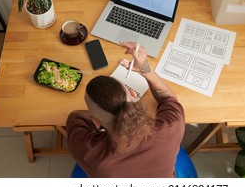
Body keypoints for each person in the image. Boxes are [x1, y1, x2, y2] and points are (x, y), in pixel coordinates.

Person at [66, 41, 185, 178]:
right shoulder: (171, 127)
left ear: (95, 122)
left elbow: (75, 116)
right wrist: (145, 69)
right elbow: (169, 99)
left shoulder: (86, 150)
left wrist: (99, 115)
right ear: (133, 94)